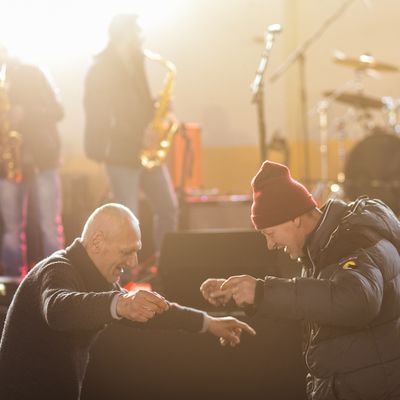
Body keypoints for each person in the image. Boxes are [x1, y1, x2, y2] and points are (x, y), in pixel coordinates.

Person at [0, 203, 255, 399]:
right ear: (97, 242)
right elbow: (58, 310)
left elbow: (149, 312)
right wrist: (121, 304)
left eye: (136, 251)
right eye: (127, 252)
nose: (133, 262)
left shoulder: (93, 276)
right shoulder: (57, 270)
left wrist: (208, 322)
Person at [201, 160, 400, 399]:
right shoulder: (324, 246)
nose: (270, 244)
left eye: (270, 233)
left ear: (294, 218)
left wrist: (263, 292)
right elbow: (319, 303)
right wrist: (240, 293)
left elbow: (357, 301)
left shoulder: (351, 242)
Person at [84, 14, 177, 274]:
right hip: (120, 153)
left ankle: (166, 266)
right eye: (138, 33)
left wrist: (156, 107)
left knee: (168, 207)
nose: (142, 39)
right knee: (126, 219)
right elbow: (103, 118)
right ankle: (122, 278)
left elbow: (137, 108)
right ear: (124, 35)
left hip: (146, 152)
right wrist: (138, 136)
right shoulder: (100, 70)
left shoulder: (136, 63)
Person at [0, 44, 64, 277]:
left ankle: (56, 278)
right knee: (11, 228)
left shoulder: (33, 73)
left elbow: (58, 111)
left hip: (41, 158)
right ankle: (12, 280)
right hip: (7, 163)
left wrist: (25, 113)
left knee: (49, 225)